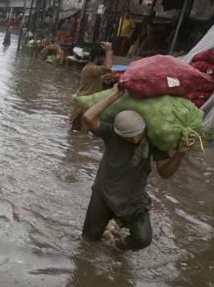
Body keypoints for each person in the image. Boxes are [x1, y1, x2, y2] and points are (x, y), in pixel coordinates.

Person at [80, 85, 191, 250]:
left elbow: (165, 173)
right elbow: (88, 117)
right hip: (104, 193)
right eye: (128, 137)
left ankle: (117, 246)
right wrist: (113, 96)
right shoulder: (111, 134)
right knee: (88, 239)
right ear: (119, 133)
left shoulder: (154, 142)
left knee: (143, 239)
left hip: (133, 199)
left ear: (144, 128)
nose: (135, 139)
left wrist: (180, 154)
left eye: (138, 134)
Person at [69, 42, 113, 130]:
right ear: (98, 57)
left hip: (84, 103)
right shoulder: (92, 69)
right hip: (85, 105)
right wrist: (108, 51)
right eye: (104, 57)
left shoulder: (90, 68)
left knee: (78, 133)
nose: (105, 60)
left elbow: (105, 73)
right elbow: (108, 68)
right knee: (82, 135)